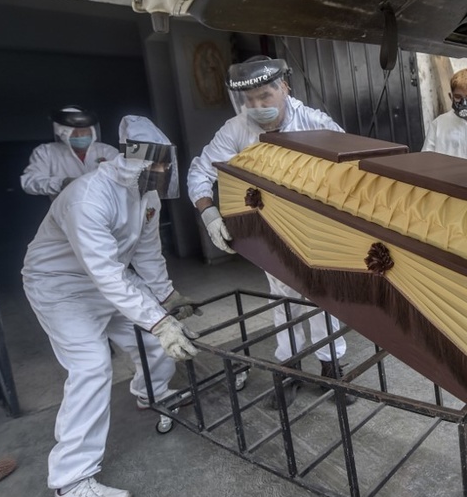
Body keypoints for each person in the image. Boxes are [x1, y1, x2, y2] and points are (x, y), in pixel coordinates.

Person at [22, 115, 200, 497]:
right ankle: (71, 480)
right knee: (91, 366)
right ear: (133, 159)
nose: (162, 172)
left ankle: (151, 393)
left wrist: (166, 298)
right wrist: (158, 321)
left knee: (154, 340)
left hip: (109, 276)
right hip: (61, 287)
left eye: (165, 164)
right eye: (155, 165)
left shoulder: (147, 194)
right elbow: (104, 273)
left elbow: (147, 253)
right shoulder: (87, 198)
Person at [187, 55, 354, 409]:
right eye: (249, 99)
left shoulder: (315, 124)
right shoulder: (235, 130)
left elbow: (351, 171)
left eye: (265, 96)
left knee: (323, 297)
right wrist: (210, 214)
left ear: (285, 88)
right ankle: (290, 368)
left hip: (313, 227)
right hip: (269, 228)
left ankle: (331, 366)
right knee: (283, 299)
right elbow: (201, 172)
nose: (257, 106)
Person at [21, 105, 119, 199]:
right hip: (65, 209)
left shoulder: (107, 151)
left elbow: (123, 177)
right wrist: (62, 183)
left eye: (84, 131)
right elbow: (29, 182)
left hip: (106, 207)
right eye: (74, 132)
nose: (80, 136)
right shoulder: (46, 152)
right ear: (62, 133)